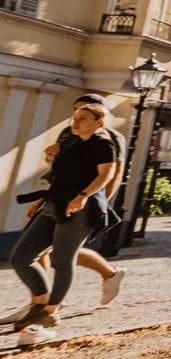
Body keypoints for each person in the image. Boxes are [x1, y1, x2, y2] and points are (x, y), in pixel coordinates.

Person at [7, 102, 122, 340]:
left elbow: (106, 175)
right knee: (21, 257)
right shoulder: (71, 141)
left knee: (61, 259)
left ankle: (51, 312)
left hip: (80, 208)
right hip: (54, 202)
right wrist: (42, 196)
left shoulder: (103, 144)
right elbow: (61, 175)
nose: (76, 122)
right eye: (75, 117)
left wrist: (83, 197)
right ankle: (40, 302)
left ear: (99, 122)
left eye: (83, 118)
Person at [36, 93, 128, 305]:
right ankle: (43, 299)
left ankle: (45, 302)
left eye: (85, 109)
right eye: (76, 109)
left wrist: (99, 203)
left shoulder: (111, 138)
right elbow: (61, 167)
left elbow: (114, 173)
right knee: (45, 249)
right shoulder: (68, 132)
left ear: (100, 114)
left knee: (59, 251)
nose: (78, 114)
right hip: (58, 197)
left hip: (85, 200)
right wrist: (51, 157)